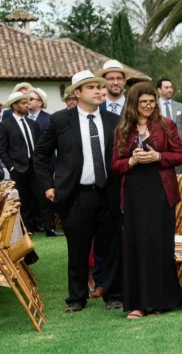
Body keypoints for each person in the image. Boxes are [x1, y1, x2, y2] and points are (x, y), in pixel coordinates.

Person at [34, 70, 123, 312]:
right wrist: (48, 185)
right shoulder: (60, 120)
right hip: (76, 195)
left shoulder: (114, 120)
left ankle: (114, 295)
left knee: (111, 247)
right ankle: (76, 298)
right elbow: (40, 154)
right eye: (91, 87)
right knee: (78, 249)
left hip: (108, 192)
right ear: (78, 93)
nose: (99, 91)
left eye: (99, 87)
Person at [111, 82, 182, 319]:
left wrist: (158, 156)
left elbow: (180, 156)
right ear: (133, 104)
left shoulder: (166, 125)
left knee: (159, 246)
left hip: (161, 192)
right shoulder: (123, 129)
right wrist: (131, 161)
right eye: (143, 102)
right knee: (136, 246)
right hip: (134, 194)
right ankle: (137, 304)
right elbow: (115, 165)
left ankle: (161, 302)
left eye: (151, 102)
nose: (148, 106)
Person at [0, 90, 56, 235]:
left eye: (28, 102)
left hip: (35, 167)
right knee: (23, 200)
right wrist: (11, 167)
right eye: (24, 103)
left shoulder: (32, 123)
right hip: (18, 168)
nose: (27, 105)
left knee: (43, 197)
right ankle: (26, 229)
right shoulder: (5, 125)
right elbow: (2, 149)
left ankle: (50, 228)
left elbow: (39, 146)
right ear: (14, 106)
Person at [156, 77, 182, 160]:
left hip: (178, 148)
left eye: (171, 87)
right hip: (160, 149)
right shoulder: (154, 106)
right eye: (166, 87)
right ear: (159, 90)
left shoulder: (180, 106)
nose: (170, 90)